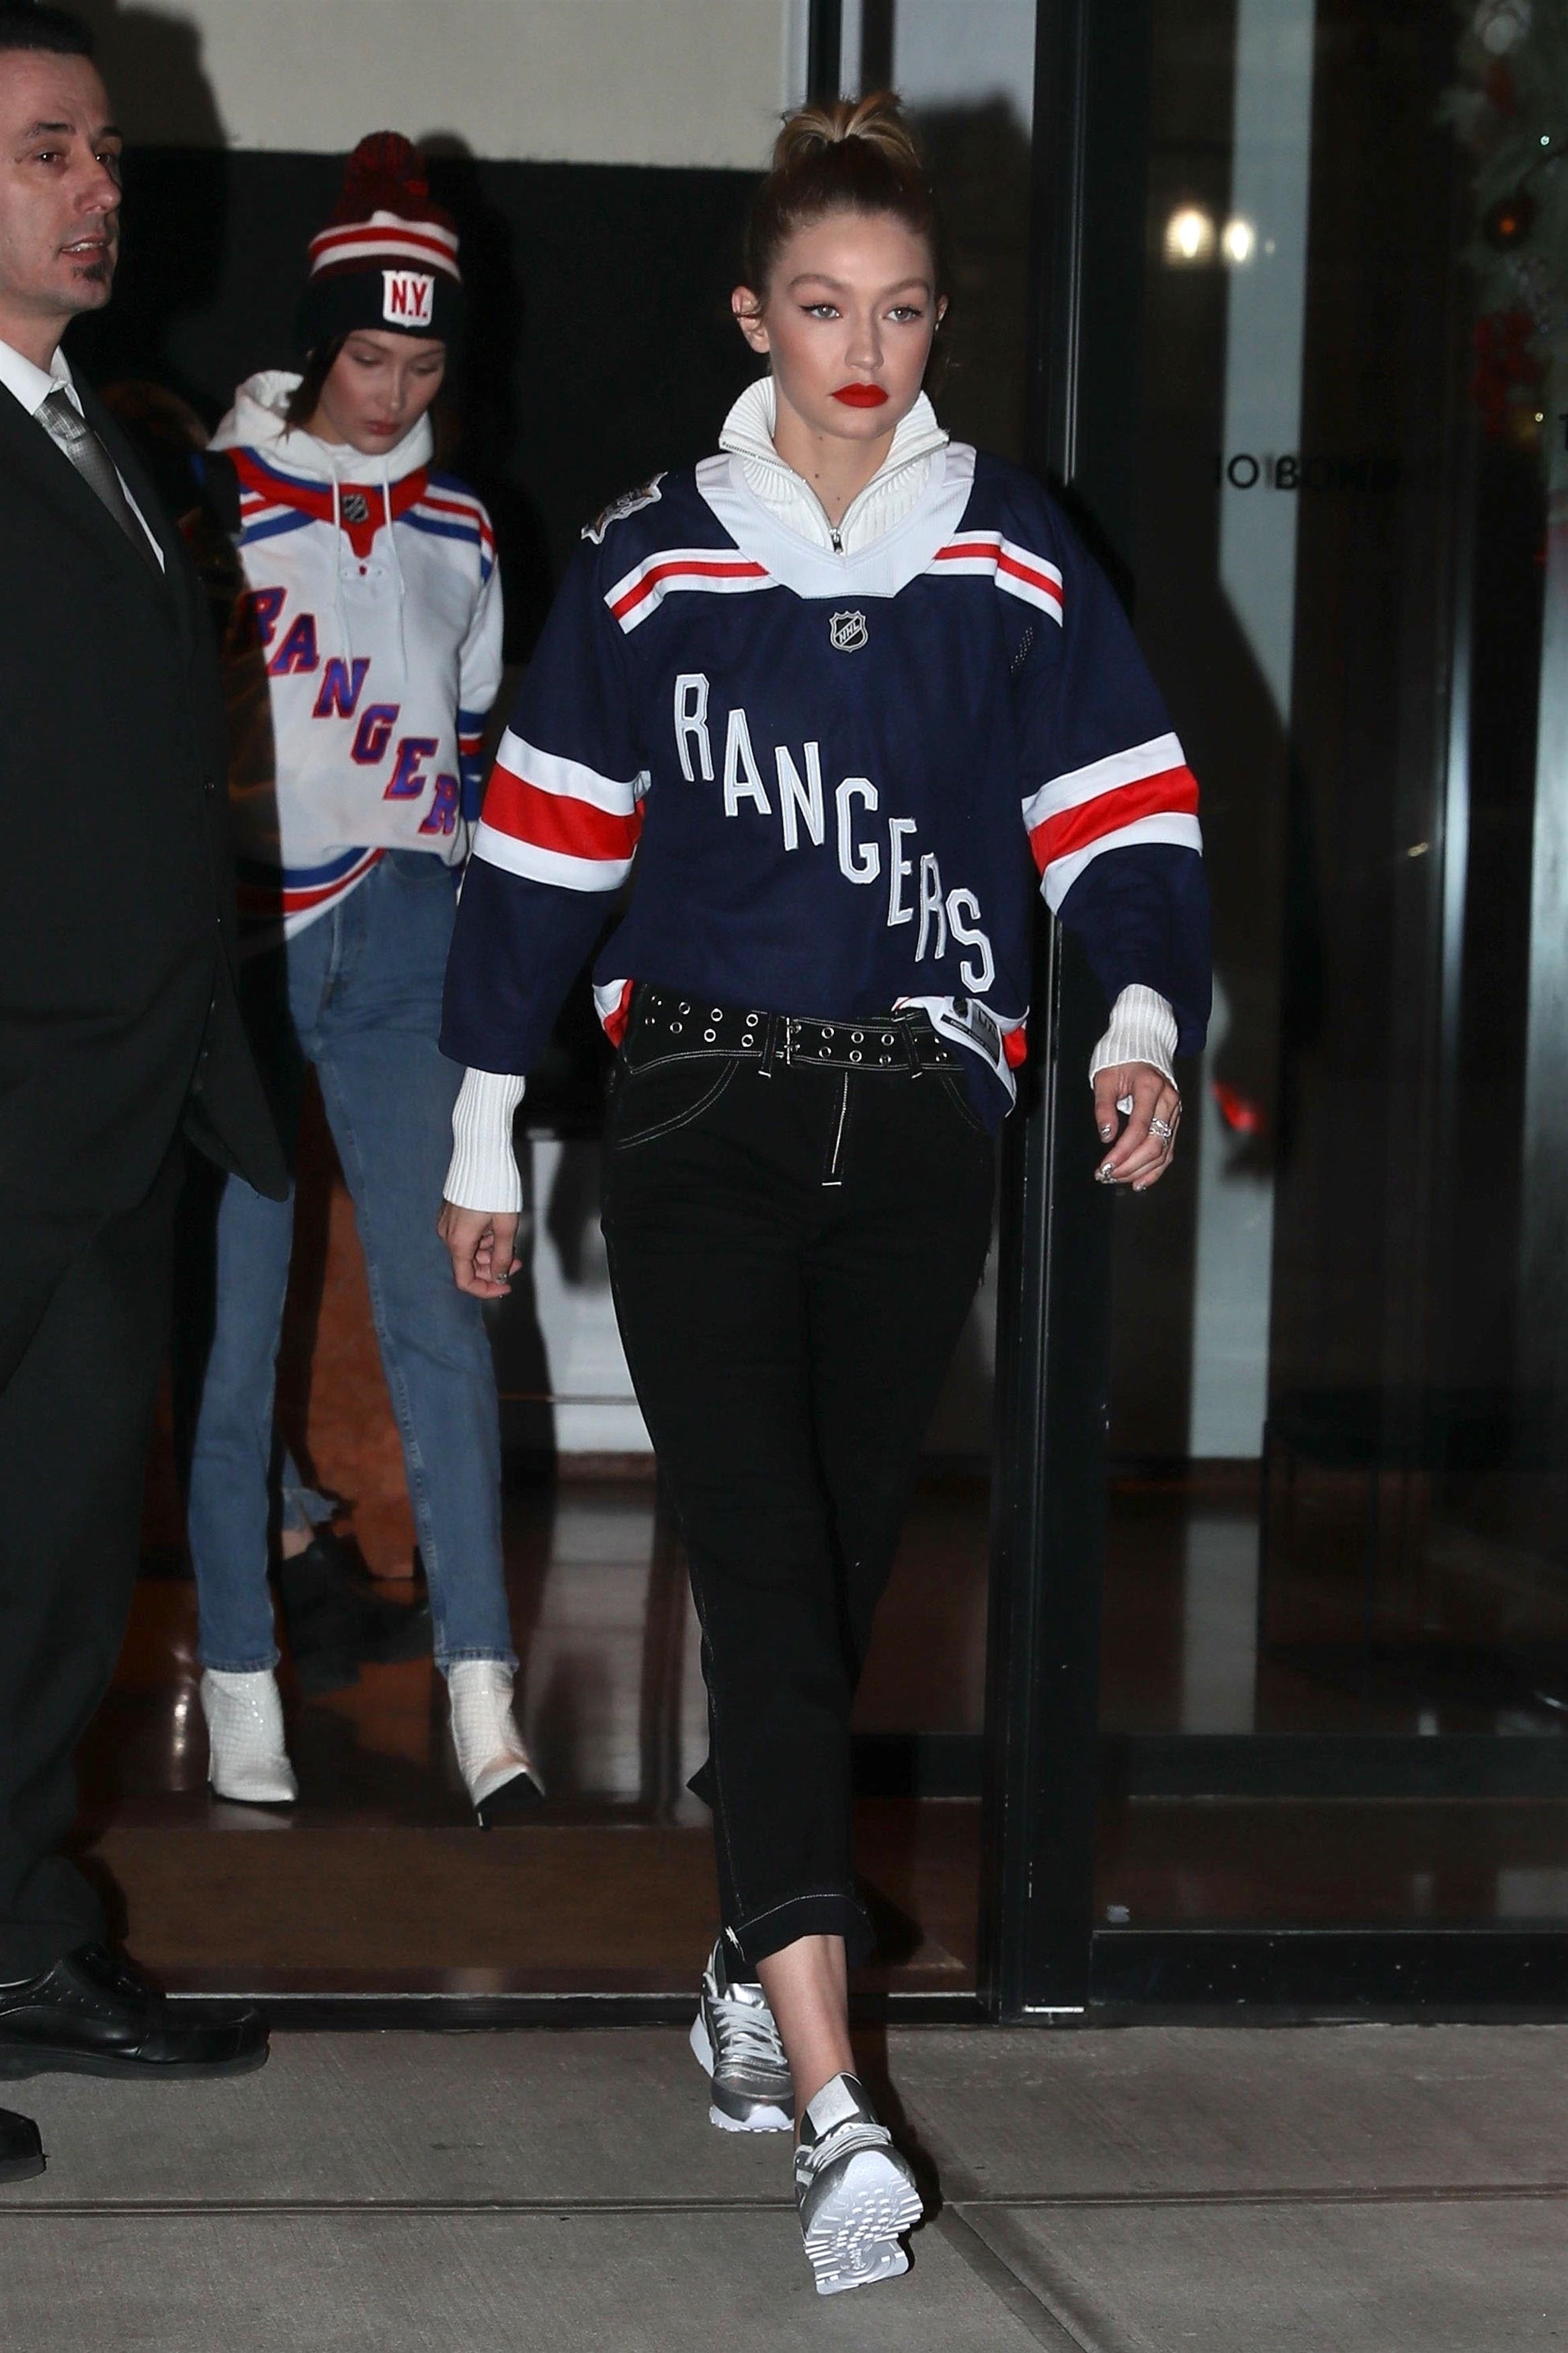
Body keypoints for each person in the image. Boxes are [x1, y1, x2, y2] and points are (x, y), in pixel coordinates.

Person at [439, 95, 1208, 2293]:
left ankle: (737, 1952)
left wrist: (1135, 1024)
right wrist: (477, 1131)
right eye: (818, 308)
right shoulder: (652, 557)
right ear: (749, 315)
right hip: (702, 1118)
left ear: (939, 319)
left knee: (835, 1575)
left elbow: (1119, 815)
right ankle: (833, 2097)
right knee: (769, 1591)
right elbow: (540, 854)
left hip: (924, 1133)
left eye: (899, 311)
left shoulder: (1012, 552)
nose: (861, 353)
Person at [0, 4, 286, 2172]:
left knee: (55, 1557)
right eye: (46, 153)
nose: (100, 189)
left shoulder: (93, 429)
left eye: (102, 152)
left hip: (112, 1114)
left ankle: (18, 1941)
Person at [183, 133, 541, 1823]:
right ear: (318, 341)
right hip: (255, 943)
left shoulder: (464, 523)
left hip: (409, 938)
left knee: (441, 1318)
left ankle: (484, 1684)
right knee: (234, 1330)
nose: (394, 392)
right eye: (369, 356)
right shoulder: (212, 498)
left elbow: (470, 747)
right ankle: (238, 1674)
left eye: (425, 365)